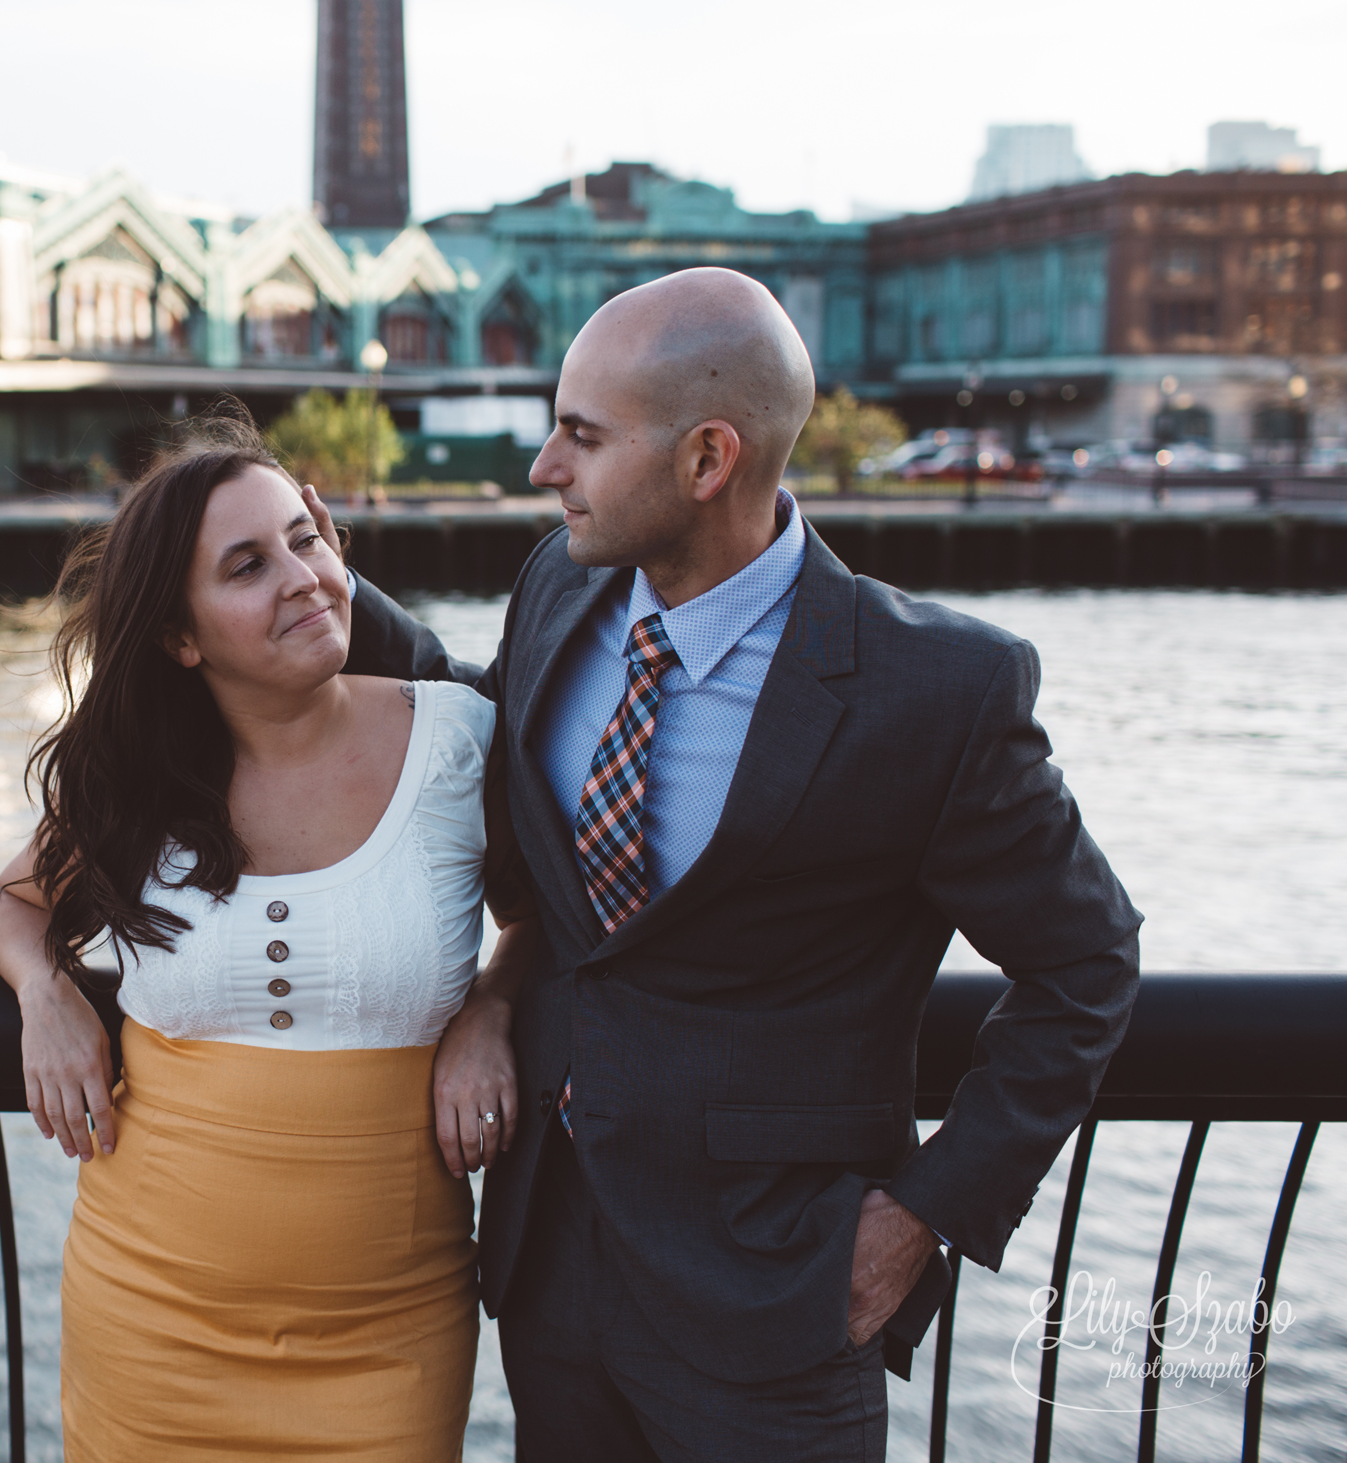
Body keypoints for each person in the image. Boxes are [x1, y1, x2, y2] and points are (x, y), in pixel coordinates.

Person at [326, 266, 1143, 1461]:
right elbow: (491, 737)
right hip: (549, 1271)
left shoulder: (937, 694)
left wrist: (923, 1213)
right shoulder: (562, 581)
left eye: (581, 435)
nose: (544, 466)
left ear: (709, 459)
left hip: (778, 1304)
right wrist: (321, 585)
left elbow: (1087, 961)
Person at [0, 418, 529, 1462]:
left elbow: (543, 916)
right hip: (149, 1321)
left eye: (305, 540)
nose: (303, 578)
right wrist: (44, 995)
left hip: (391, 1337)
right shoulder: (141, 779)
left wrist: (493, 1007)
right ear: (180, 637)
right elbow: (16, 904)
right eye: (247, 564)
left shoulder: (458, 740)